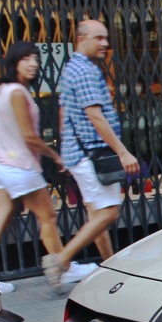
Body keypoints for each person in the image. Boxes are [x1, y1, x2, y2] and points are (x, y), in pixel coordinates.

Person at [0, 42, 94, 293]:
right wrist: (55, 156)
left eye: (35, 58)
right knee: (48, 217)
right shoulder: (18, 93)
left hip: (1, 165)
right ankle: (64, 268)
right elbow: (29, 137)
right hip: (22, 167)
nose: (33, 63)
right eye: (26, 59)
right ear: (14, 61)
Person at [47, 19, 139, 292]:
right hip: (91, 153)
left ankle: (110, 268)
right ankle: (60, 260)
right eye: (99, 38)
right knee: (109, 213)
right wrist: (122, 152)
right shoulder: (85, 71)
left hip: (79, 152)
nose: (105, 44)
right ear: (82, 38)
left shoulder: (71, 68)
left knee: (97, 212)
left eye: (106, 38)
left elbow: (64, 112)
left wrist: (66, 150)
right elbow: (95, 116)